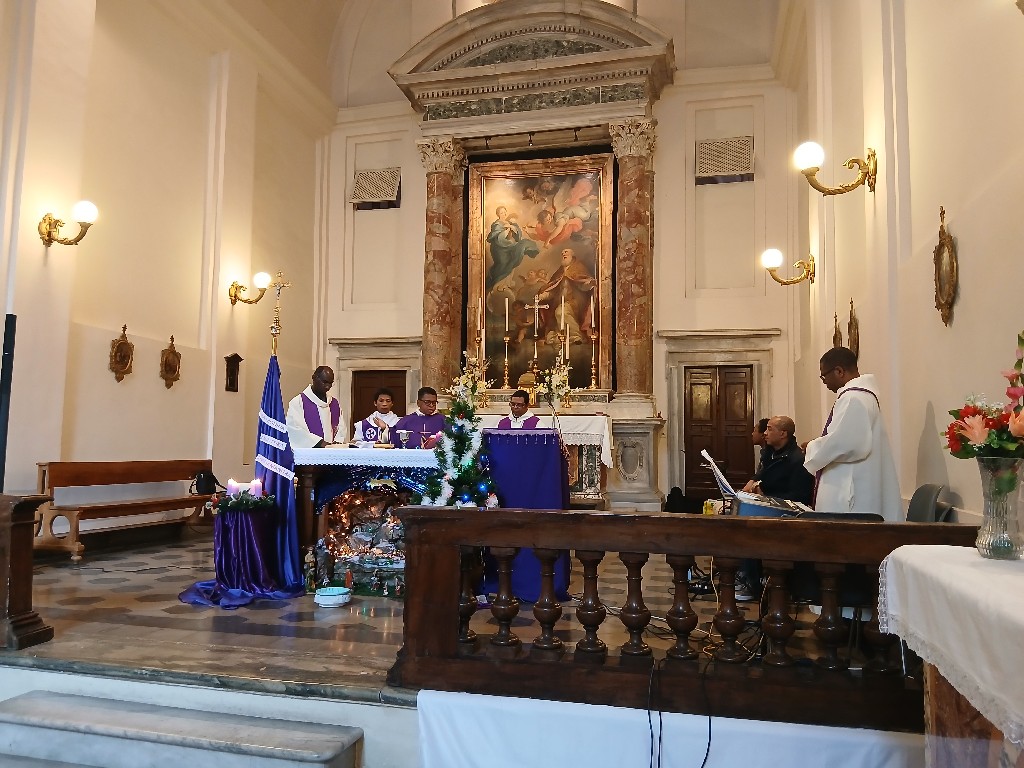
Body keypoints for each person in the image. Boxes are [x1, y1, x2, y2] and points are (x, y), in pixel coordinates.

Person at [803, 347, 902, 521]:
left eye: (824, 376)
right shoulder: (860, 396)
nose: (824, 382)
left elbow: (846, 444)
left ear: (839, 371)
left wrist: (811, 447)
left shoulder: (853, 398)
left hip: (852, 493)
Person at [741, 416, 814, 505]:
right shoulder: (769, 453)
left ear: (783, 434)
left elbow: (799, 497)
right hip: (766, 504)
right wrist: (754, 482)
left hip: (781, 510)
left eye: (769, 429)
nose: (765, 433)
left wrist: (765, 497)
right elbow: (763, 476)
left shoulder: (798, 459)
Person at [537, 248, 596, 344]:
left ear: (572, 255)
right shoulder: (559, 272)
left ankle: (576, 336)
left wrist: (589, 284)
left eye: (566, 252)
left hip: (575, 301)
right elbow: (553, 290)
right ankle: (564, 336)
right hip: (560, 302)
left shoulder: (579, 268)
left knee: (560, 312)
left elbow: (583, 285)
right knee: (557, 320)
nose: (563, 254)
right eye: (562, 253)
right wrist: (542, 296)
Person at [286, 366, 343, 449]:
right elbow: (294, 428)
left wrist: (337, 443)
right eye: (325, 382)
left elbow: (341, 428)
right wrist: (320, 443)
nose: (328, 387)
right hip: (310, 454)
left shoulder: (334, 403)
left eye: (330, 383)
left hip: (332, 453)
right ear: (314, 378)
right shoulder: (298, 402)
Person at [486, 206, 540, 289]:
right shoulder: (497, 225)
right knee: (503, 264)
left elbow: (518, 235)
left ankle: (506, 284)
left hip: (509, 247)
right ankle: (498, 284)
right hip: (499, 249)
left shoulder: (509, 222)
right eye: (501, 213)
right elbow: (499, 238)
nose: (504, 214)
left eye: (505, 212)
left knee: (512, 262)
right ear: (498, 214)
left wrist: (512, 227)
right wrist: (507, 229)